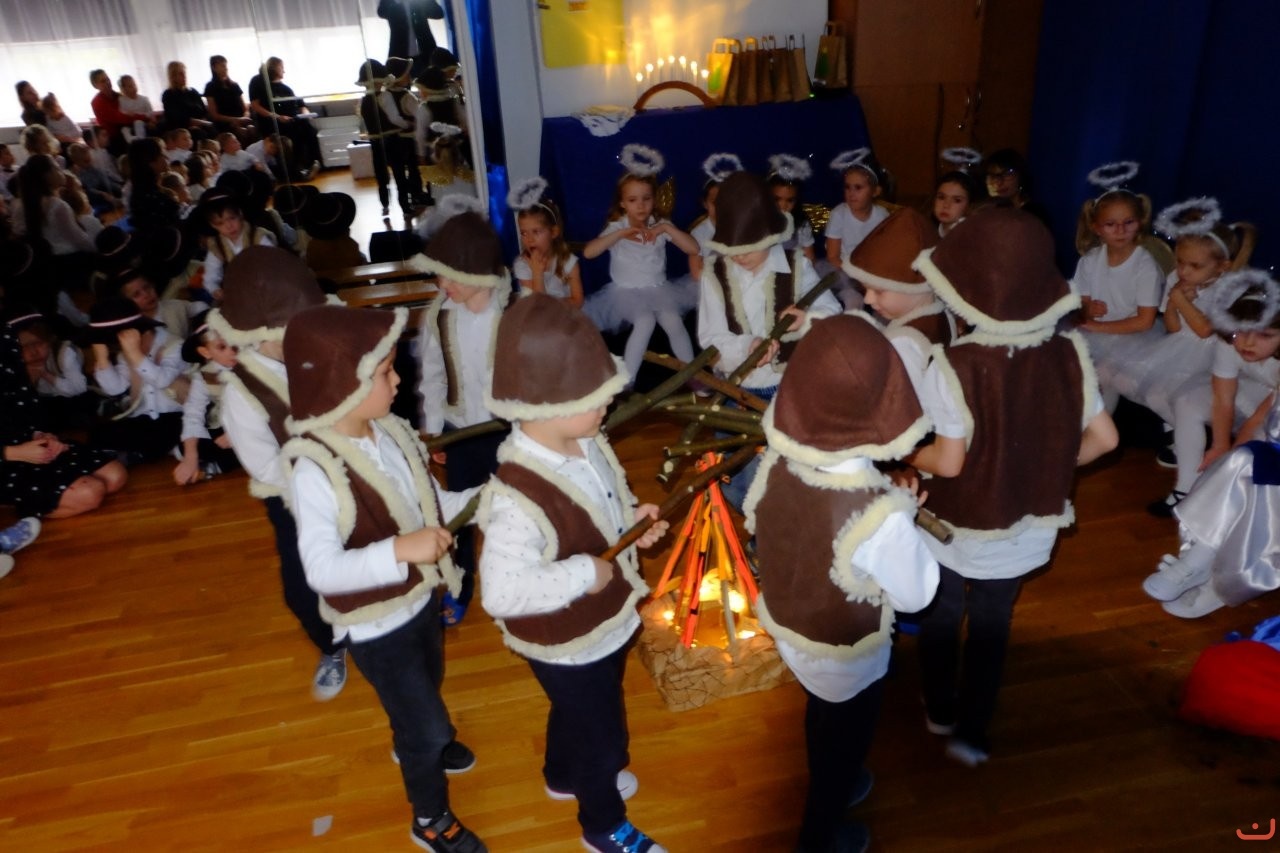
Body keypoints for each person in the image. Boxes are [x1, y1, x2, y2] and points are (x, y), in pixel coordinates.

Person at [911, 207, 1119, 767]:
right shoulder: (1070, 353)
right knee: (993, 623)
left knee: (941, 612)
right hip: (1027, 527)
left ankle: (940, 709)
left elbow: (948, 462)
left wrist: (905, 453)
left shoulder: (952, 363)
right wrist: (1047, 469)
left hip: (955, 524)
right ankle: (973, 731)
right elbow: (1106, 438)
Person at [283, 303, 484, 853]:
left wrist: (486, 499)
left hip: (419, 602)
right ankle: (430, 819)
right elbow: (321, 570)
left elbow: (432, 505)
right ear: (341, 386)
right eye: (386, 372)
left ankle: (419, 734)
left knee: (426, 688)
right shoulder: (315, 468)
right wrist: (398, 549)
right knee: (426, 724)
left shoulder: (391, 432)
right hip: (375, 627)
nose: (399, 380)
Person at [478, 293, 670, 853]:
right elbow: (502, 593)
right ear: (549, 406)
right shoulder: (515, 497)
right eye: (596, 398)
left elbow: (603, 501)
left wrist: (631, 521)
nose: (610, 403)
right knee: (600, 737)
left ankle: (562, 775)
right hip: (564, 640)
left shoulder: (586, 440)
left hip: (598, 623)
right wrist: (586, 572)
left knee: (580, 711)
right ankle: (603, 824)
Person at [746, 312, 939, 853]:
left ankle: (837, 777)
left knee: (821, 714)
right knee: (845, 737)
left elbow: (766, 522)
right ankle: (819, 835)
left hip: (791, 625)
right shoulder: (879, 513)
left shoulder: (778, 461)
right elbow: (917, 594)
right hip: (848, 654)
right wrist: (902, 514)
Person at [208, 246, 346, 700]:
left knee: (366, 560)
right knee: (303, 587)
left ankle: (373, 629)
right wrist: (321, 484)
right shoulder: (243, 393)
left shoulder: (322, 352)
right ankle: (331, 646)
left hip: (352, 480)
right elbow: (266, 466)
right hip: (292, 499)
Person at [695, 170, 841, 510]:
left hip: (787, 388)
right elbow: (710, 337)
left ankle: (777, 529)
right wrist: (744, 347)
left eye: (749, 248)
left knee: (786, 473)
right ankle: (756, 523)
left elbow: (832, 313)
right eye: (732, 249)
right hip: (737, 392)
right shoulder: (714, 273)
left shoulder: (797, 266)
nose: (739, 256)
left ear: (772, 235)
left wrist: (807, 319)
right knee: (738, 478)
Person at [1141, 270, 1280, 618]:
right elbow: (1240, 407)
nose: (1247, 343)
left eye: (1264, 334)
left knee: (1249, 472)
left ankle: (1211, 574)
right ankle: (1200, 557)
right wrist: (1222, 453)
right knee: (1238, 463)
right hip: (1268, 428)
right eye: (1239, 332)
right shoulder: (1232, 347)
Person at [413, 210, 514, 625]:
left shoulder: (514, 312)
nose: (442, 285)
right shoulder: (440, 314)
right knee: (460, 516)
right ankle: (461, 584)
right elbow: (433, 375)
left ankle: (520, 582)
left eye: (449, 276)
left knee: (517, 508)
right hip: (462, 433)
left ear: (477, 272)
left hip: (510, 433)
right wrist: (435, 433)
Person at [1125, 198, 1256, 515]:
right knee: (1151, 390)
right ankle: (1185, 439)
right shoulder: (1177, 279)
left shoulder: (1228, 288)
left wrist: (1182, 301)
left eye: (1194, 266)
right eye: (1181, 262)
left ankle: (1192, 449)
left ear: (1222, 266)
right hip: (1180, 344)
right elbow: (1172, 327)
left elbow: (1206, 330)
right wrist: (1174, 303)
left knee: (1181, 395)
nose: (1183, 270)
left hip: (1212, 354)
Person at [582, 143, 699, 383]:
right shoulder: (618, 227)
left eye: (646, 198)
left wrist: (666, 229)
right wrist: (620, 234)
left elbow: (693, 249)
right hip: (626, 292)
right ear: (622, 203)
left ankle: (693, 375)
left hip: (659, 289)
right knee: (645, 321)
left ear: (654, 200)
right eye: (633, 200)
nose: (641, 205)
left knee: (673, 320)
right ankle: (627, 380)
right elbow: (589, 253)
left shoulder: (660, 224)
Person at [1, 322, 126, 519]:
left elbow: (24, 410)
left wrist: (42, 436)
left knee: (115, 476)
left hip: (28, 446)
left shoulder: (6, 341)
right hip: (7, 459)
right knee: (90, 493)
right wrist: (14, 452)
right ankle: (19, 506)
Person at [1072, 161, 1165, 411]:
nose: (1121, 230)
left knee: (1105, 376)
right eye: (1111, 224)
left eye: (1128, 222)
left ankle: (1100, 428)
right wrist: (1087, 310)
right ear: (1096, 228)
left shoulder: (1144, 265)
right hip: (1095, 335)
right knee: (1074, 370)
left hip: (1132, 337)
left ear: (1140, 222)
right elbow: (1080, 305)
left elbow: (1144, 321)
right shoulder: (1089, 261)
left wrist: (1096, 325)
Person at [844, 207, 953, 390]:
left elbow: (896, 399)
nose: (868, 299)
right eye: (865, 289)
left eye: (879, 291)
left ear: (915, 287)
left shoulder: (903, 344)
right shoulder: (943, 315)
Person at [87, 295, 187, 462]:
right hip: (144, 419)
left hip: (175, 415)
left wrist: (135, 354)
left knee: (165, 432)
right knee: (98, 433)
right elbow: (115, 388)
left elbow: (162, 380)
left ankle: (137, 453)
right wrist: (102, 359)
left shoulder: (174, 345)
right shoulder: (124, 355)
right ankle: (132, 454)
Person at [173, 312, 241, 485]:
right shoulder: (205, 376)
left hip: (255, 425)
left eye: (234, 342)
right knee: (189, 444)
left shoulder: (254, 364)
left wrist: (236, 432)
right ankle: (203, 463)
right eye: (222, 347)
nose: (232, 351)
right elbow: (193, 412)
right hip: (225, 425)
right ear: (205, 352)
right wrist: (191, 456)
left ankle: (215, 467)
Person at [509, 176, 582, 306]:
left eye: (536, 232)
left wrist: (555, 306)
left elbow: (578, 301)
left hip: (565, 313)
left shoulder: (568, 261)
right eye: (524, 233)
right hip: (535, 313)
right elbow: (537, 305)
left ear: (553, 232)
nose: (529, 239)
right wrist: (537, 273)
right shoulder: (522, 265)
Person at [193, 188, 277, 301]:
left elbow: (273, 265)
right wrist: (215, 290)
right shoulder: (217, 246)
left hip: (266, 290)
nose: (229, 226)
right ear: (212, 225)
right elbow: (211, 276)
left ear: (240, 214)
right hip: (237, 295)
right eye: (220, 223)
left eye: (232, 218)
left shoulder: (258, 237)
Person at [823, 148, 889, 288]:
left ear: (875, 191)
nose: (851, 193)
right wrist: (857, 277)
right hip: (843, 270)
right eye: (847, 187)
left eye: (858, 188)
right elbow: (833, 257)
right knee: (853, 297)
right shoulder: (839, 215)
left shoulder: (882, 215)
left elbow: (884, 250)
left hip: (870, 270)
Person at [248, 57, 321, 180]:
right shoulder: (258, 82)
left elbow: (301, 104)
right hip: (273, 121)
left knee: (310, 130)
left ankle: (313, 164)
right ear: (274, 67)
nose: (284, 71)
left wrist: (306, 114)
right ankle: (298, 172)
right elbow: (255, 106)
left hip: (292, 120)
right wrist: (277, 117)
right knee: (290, 137)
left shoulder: (286, 88)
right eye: (281, 67)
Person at [356, 59, 406, 219]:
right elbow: (394, 118)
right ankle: (405, 206)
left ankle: (385, 205)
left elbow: (364, 123)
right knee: (399, 173)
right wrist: (408, 124)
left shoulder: (363, 100)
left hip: (375, 141)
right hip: (392, 138)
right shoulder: (385, 96)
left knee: (381, 175)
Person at [686, 153, 740, 282]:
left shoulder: (741, 226)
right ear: (705, 203)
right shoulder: (699, 233)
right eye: (715, 202)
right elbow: (696, 272)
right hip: (710, 283)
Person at [767, 153, 816, 262]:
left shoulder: (801, 225)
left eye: (790, 200)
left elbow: (810, 258)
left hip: (793, 269)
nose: (783, 205)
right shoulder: (758, 221)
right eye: (777, 199)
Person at [982, 148, 1050, 225]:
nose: (998, 182)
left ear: (1021, 176)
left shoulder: (1034, 214)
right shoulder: (983, 212)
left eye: (1007, 174)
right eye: (992, 175)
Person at [125, 137, 181, 233]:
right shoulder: (158, 200)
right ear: (151, 163)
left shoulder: (138, 193)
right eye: (162, 155)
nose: (167, 158)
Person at [89, 69, 148, 155]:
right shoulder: (97, 102)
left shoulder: (118, 96)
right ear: (95, 85)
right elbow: (120, 118)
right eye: (103, 81)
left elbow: (131, 110)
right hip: (113, 138)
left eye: (108, 79)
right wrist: (145, 117)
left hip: (128, 128)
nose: (108, 82)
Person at [932, 151, 985, 237]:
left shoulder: (969, 232)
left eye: (957, 200)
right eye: (941, 197)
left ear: (970, 205)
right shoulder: (935, 228)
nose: (946, 205)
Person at [204, 55, 253, 142]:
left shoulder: (235, 85)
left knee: (252, 128)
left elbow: (245, 108)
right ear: (214, 68)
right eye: (222, 66)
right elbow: (214, 115)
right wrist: (235, 120)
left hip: (241, 119)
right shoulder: (210, 87)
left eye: (226, 65)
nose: (226, 68)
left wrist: (245, 117)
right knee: (242, 131)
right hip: (225, 123)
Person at [161, 61, 213, 138]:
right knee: (198, 133)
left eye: (184, 73)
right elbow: (175, 117)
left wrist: (203, 121)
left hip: (201, 124)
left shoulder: (192, 91)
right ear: (173, 77)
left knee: (213, 129)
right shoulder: (168, 95)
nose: (184, 76)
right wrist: (196, 123)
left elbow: (203, 111)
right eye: (181, 74)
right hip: (182, 128)